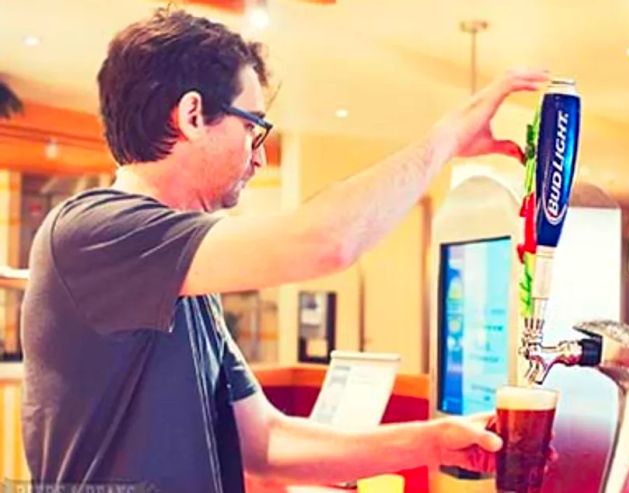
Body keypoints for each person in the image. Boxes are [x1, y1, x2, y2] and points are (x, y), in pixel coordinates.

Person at [20, 7, 548, 493]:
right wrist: (446, 140)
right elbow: (325, 241)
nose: (259, 157)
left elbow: (268, 443)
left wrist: (434, 442)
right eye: (253, 127)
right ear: (192, 115)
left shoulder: (187, 284)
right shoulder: (91, 232)